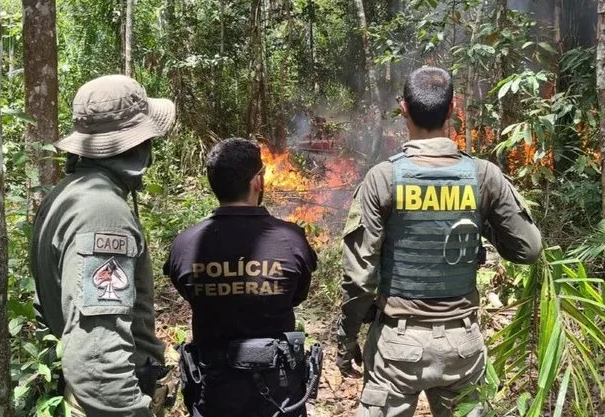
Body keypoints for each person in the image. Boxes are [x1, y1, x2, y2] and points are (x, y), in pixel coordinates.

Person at [336, 66, 542, 417]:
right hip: (462, 344)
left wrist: (346, 339)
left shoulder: (382, 178)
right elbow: (528, 248)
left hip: (397, 346)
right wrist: (480, 220)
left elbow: (360, 277)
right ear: (452, 109)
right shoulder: (483, 175)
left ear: (404, 108)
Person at [30, 74, 177, 416]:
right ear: (137, 145)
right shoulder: (102, 213)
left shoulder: (67, 194)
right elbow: (97, 357)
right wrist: (132, 410)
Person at [164, 138, 319, 417]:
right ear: (258, 180)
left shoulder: (185, 244)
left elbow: (189, 293)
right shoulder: (291, 240)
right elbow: (297, 295)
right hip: (278, 392)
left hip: (213, 390)